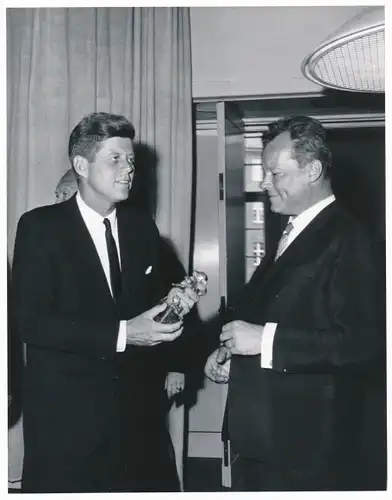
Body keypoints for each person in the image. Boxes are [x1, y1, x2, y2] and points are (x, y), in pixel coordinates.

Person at [12, 112, 202, 493]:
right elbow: (30, 322)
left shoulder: (140, 227)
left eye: (130, 160)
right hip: (68, 425)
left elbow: (147, 307)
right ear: (81, 165)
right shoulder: (39, 227)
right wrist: (124, 333)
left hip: (136, 419)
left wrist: (174, 303)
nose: (128, 170)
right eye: (115, 159)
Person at [204, 116, 384, 491]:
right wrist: (228, 349)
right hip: (265, 437)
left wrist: (264, 341)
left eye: (275, 174)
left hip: (307, 447)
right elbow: (267, 313)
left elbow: (362, 344)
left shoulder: (349, 237)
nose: (264, 183)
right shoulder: (293, 231)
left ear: (312, 170)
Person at [54, 168, 186, 399]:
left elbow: (167, 304)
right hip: (76, 380)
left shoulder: (140, 241)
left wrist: (176, 365)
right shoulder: (50, 243)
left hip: (134, 374)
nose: (60, 202)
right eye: (57, 195)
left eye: (66, 194)